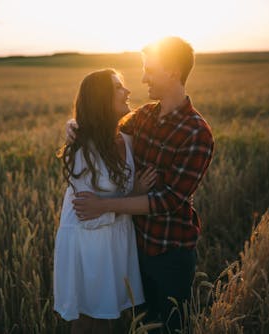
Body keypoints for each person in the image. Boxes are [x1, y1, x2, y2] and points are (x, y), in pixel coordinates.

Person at [69, 37, 214, 332]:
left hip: (169, 252)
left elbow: (166, 200)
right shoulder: (144, 116)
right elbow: (100, 125)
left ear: (172, 71)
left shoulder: (197, 133)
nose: (144, 77)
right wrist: (73, 127)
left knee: (169, 327)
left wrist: (102, 206)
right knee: (139, 325)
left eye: (150, 69)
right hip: (133, 248)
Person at [54, 68, 156, 334]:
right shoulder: (82, 150)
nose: (128, 91)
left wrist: (126, 195)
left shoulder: (126, 139)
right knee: (90, 319)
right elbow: (87, 215)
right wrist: (134, 195)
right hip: (90, 245)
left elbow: (106, 201)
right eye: (118, 88)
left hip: (116, 239)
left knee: (108, 319)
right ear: (101, 99)